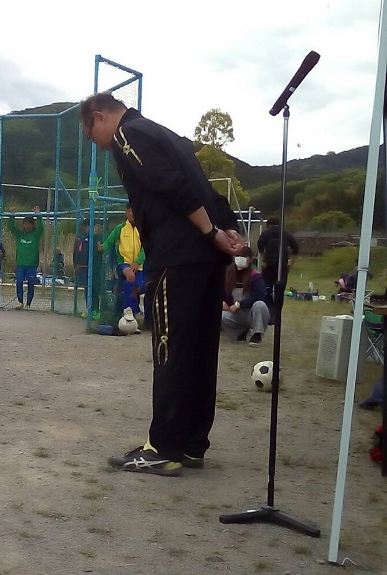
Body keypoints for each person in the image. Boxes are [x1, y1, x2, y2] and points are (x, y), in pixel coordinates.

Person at [81, 92, 243, 477]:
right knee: (200, 351)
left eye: (91, 136)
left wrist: (212, 232)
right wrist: (229, 229)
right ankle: (191, 443)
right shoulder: (170, 137)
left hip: (176, 258)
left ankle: (163, 447)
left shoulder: (128, 135)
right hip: (205, 261)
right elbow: (207, 192)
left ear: (100, 117)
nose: (98, 146)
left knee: (170, 349)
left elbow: (171, 186)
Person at [221, 247, 271, 347]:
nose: (240, 258)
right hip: (236, 313)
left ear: (250, 259)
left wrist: (240, 304)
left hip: (252, 313)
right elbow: (223, 292)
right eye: (237, 256)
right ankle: (240, 332)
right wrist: (223, 302)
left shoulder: (255, 276)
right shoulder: (229, 275)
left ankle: (257, 334)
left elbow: (260, 296)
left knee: (260, 305)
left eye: (243, 256)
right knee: (221, 316)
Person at [103, 204, 147, 316]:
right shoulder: (120, 228)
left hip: (139, 265)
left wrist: (137, 262)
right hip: (124, 263)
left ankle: (135, 311)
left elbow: (145, 248)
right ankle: (127, 311)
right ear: (126, 213)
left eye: (134, 211)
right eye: (129, 211)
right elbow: (109, 241)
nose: (132, 214)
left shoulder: (142, 229)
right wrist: (102, 247)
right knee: (130, 276)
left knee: (138, 288)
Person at [6, 206, 43, 310]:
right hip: (21, 264)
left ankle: (28, 304)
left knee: (31, 283)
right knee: (19, 282)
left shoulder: (35, 235)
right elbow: (11, 227)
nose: (27, 226)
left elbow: (41, 228)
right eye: (25, 224)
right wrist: (12, 215)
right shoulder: (19, 235)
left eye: (29, 224)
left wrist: (38, 214)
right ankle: (20, 302)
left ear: (32, 225)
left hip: (31, 264)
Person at [256, 216, 300, 303]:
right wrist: (291, 261)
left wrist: (263, 260)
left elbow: (260, 245)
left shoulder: (265, 233)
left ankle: (268, 307)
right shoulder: (285, 234)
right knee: (280, 290)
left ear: (268, 225)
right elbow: (296, 247)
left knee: (267, 289)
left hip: (269, 265)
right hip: (282, 265)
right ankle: (277, 310)